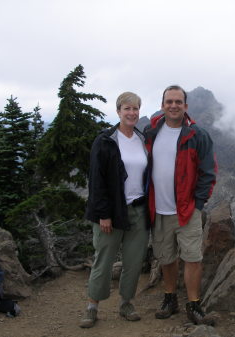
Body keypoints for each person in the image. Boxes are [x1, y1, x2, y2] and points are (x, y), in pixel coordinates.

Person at [144, 85, 217, 325]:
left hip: (187, 210)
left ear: (185, 106)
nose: (173, 106)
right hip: (159, 208)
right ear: (162, 105)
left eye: (178, 102)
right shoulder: (151, 131)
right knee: (166, 257)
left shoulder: (197, 135)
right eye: (169, 101)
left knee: (192, 257)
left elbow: (208, 172)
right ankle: (170, 298)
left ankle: (194, 305)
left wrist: (198, 203)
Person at [80, 92, 149, 328]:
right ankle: (92, 306)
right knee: (104, 259)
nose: (132, 113)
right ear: (118, 111)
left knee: (133, 260)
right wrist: (103, 215)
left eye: (135, 109)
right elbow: (96, 181)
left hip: (138, 210)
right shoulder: (106, 140)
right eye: (127, 108)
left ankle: (126, 303)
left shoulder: (142, 139)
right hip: (111, 211)